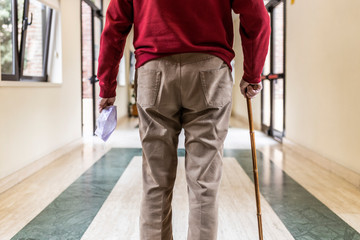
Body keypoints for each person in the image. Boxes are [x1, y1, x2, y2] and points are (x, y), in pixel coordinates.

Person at [97, 0, 270, 239]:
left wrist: (107, 87)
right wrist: (252, 72)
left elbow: (115, 25)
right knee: (204, 185)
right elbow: (257, 16)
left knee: (155, 182)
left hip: (153, 71)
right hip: (210, 71)